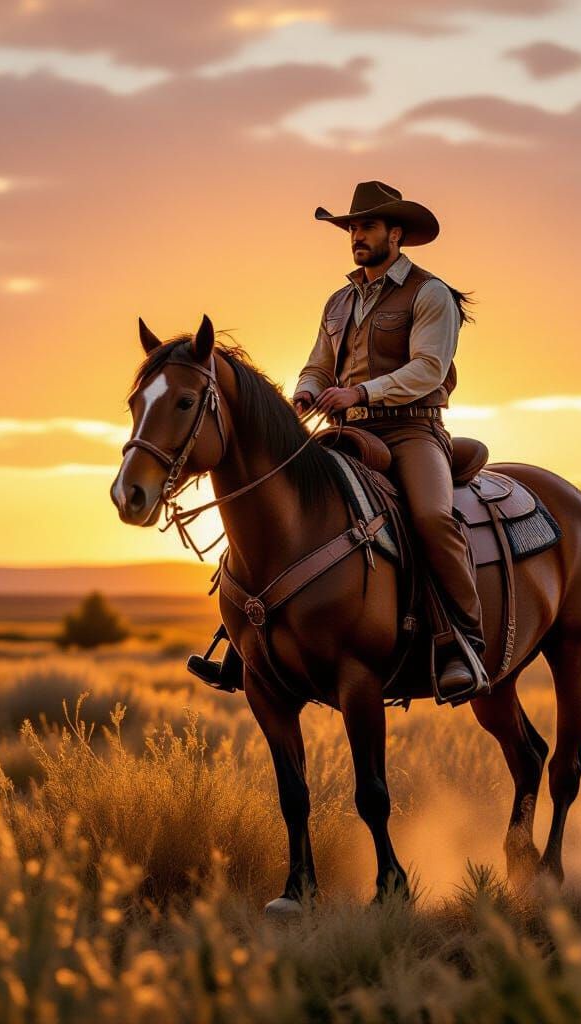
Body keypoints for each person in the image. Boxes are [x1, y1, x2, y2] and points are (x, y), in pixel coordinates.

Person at [189, 180, 488, 701]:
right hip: (348, 431)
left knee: (431, 518)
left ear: (396, 234)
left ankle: (462, 641)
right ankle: (244, 642)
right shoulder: (339, 301)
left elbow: (428, 368)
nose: (357, 236)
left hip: (413, 430)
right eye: (351, 228)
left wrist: (361, 393)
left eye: (367, 226)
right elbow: (317, 364)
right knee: (278, 505)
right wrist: (306, 392)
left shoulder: (430, 294)